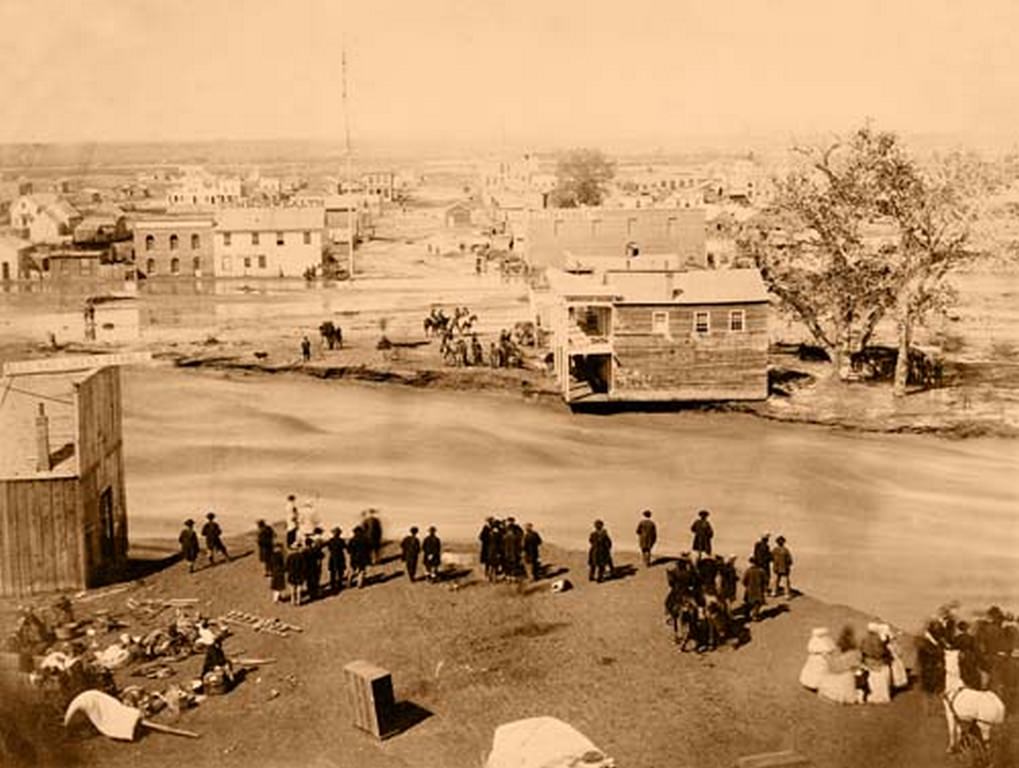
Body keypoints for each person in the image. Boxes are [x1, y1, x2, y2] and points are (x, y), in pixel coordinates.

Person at [818, 626, 864, 705]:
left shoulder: (838, 648)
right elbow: (857, 664)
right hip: (847, 676)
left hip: (836, 673)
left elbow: (834, 662)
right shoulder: (854, 653)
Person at [742, 556, 767, 622]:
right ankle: (755, 615)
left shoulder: (748, 571)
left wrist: (747, 586)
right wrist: (764, 588)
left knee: (749, 603)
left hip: (750, 590)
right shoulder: (761, 571)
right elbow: (765, 581)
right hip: (759, 590)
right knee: (758, 603)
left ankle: (747, 614)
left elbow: (744, 581)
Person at [303, 535, 323, 602]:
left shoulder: (304, 552)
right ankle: (315, 593)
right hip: (314, 567)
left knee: (309, 582)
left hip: (307, 568)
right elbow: (321, 556)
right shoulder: (315, 550)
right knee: (315, 581)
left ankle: (310, 593)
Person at [326, 527, 346, 594]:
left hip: (332, 557)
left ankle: (332, 585)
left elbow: (328, 548)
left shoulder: (330, 540)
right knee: (340, 572)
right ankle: (339, 584)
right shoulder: (341, 541)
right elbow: (345, 547)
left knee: (332, 572)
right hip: (340, 557)